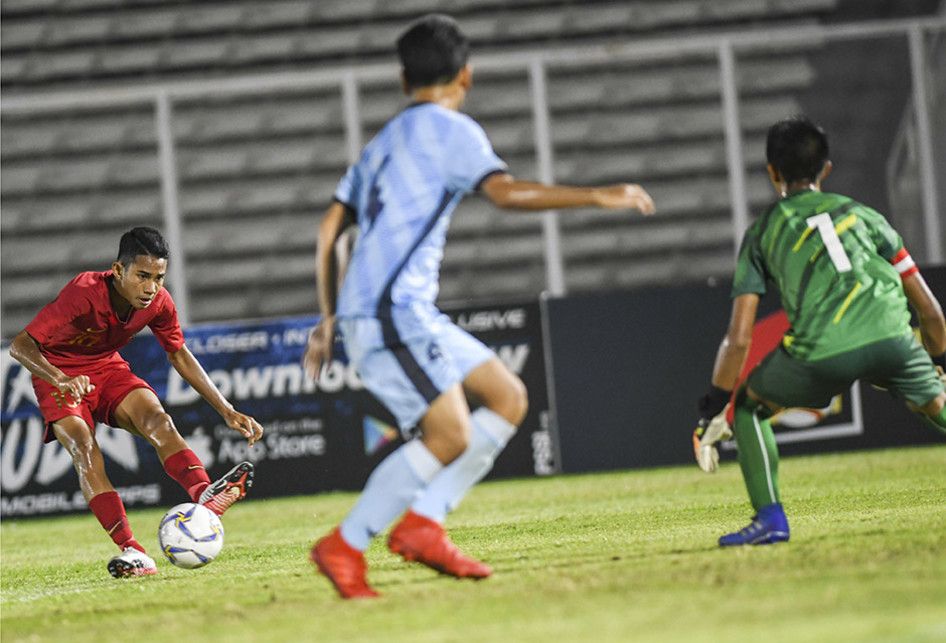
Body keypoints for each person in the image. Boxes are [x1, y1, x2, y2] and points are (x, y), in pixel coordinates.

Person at [303, 13, 655, 599]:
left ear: (402, 78)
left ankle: (423, 523)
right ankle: (348, 542)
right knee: (451, 434)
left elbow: (329, 231)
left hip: (392, 310)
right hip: (393, 312)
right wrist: (596, 194)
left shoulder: (383, 139)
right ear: (467, 75)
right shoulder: (454, 131)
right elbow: (504, 193)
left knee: (508, 397)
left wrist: (329, 315)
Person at [693, 115, 946, 546]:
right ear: (825, 169)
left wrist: (714, 407)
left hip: (821, 350)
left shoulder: (762, 234)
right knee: (935, 403)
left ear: (772, 173)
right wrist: (936, 362)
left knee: (749, 408)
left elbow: (738, 340)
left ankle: (771, 519)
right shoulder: (865, 216)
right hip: (891, 335)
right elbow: (931, 313)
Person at [8, 226, 264, 577]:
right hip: (58, 373)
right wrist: (60, 379)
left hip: (106, 367)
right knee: (84, 448)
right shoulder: (84, 292)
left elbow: (179, 354)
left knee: (158, 419)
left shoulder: (159, 302)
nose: (151, 287)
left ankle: (204, 495)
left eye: (159, 277)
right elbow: (21, 345)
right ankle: (134, 551)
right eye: (143, 276)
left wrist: (226, 408)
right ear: (118, 270)